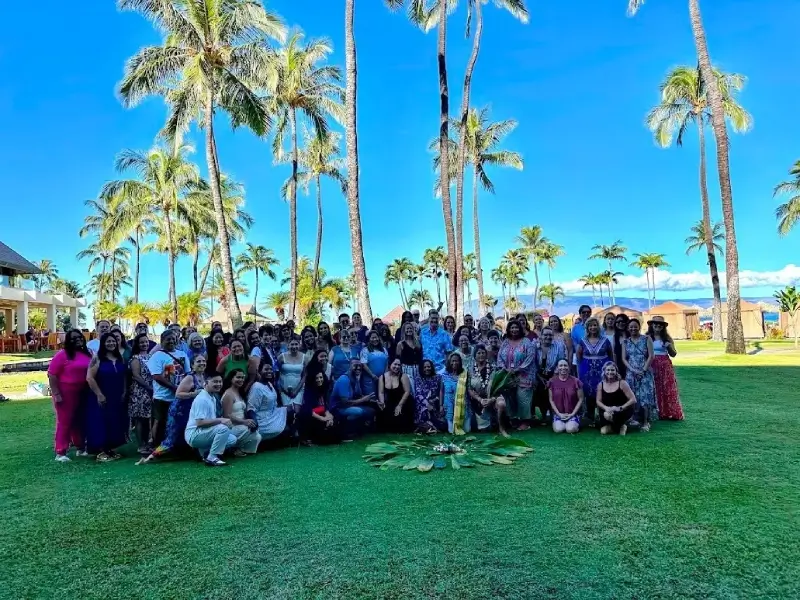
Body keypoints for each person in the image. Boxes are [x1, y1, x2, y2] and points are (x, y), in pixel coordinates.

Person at [139, 353, 207, 463]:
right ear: (192, 364)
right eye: (199, 361)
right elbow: (178, 394)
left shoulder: (204, 377)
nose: (202, 363)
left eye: (203, 361)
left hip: (191, 411)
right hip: (180, 411)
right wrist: (194, 394)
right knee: (171, 437)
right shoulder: (190, 377)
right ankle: (149, 458)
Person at [47, 329, 91, 462]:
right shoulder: (62, 355)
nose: (78, 339)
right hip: (65, 392)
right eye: (74, 338)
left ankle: (80, 447)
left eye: (80, 337)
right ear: (68, 340)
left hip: (83, 391)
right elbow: (52, 374)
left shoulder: (87, 354)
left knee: (79, 421)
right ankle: (60, 452)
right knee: (65, 422)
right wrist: (56, 393)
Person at [85, 333, 128, 461]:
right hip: (102, 395)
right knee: (101, 422)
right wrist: (99, 394)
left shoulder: (120, 358)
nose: (111, 344)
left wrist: (125, 391)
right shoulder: (97, 358)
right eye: (108, 341)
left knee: (115, 421)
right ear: (103, 343)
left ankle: (111, 449)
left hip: (117, 396)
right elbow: (89, 378)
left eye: (113, 341)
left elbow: (125, 376)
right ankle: (101, 451)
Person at [147, 331, 190, 448]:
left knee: (178, 421)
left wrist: (183, 389)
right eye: (168, 339)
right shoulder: (157, 356)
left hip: (179, 396)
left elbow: (188, 373)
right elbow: (156, 376)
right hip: (162, 397)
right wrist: (174, 388)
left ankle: (177, 446)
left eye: (173, 339)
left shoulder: (182, 354)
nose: (171, 341)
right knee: (160, 421)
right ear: (162, 341)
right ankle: (156, 445)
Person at [184, 374, 233, 466]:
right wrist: (221, 420)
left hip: (203, 432)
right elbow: (200, 423)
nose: (219, 384)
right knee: (223, 429)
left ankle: (203, 452)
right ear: (206, 383)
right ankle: (212, 457)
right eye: (215, 381)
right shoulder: (202, 399)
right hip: (194, 434)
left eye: (220, 382)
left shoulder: (212, 396)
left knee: (232, 439)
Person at [497, 320, 536, 430]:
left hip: (524, 375)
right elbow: (500, 357)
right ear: (508, 330)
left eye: (516, 328)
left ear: (520, 329)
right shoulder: (505, 342)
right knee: (509, 397)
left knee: (522, 397)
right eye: (512, 328)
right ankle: (513, 419)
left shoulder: (526, 342)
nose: (514, 330)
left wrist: (517, 370)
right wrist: (504, 369)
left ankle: (525, 421)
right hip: (507, 375)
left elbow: (530, 357)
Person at [576, 317, 613, 426]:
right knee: (588, 392)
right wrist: (581, 369)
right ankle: (590, 416)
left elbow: (611, 355)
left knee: (603, 391)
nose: (593, 327)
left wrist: (611, 367)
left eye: (595, 325)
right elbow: (579, 356)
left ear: (598, 327)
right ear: (587, 328)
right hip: (587, 371)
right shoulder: (583, 341)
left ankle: (602, 416)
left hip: (602, 370)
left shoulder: (605, 340)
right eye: (590, 326)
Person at [622, 318, 657, 432]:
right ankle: (634, 418)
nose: (633, 328)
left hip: (645, 372)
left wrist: (643, 370)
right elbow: (624, 358)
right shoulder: (625, 342)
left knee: (645, 397)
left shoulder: (646, 339)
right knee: (633, 396)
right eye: (631, 327)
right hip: (631, 373)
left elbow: (651, 356)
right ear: (628, 328)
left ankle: (646, 422)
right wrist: (632, 370)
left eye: (635, 326)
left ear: (639, 326)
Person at [647, 316, 684, 420]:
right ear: (652, 325)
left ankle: (669, 412)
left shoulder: (667, 338)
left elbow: (673, 354)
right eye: (655, 324)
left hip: (665, 365)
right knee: (655, 387)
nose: (658, 326)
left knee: (667, 388)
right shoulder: (647, 337)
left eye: (660, 324)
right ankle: (657, 412)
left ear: (663, 326)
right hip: (652, 364)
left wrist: (669, 346)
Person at [329, 360, 376, 440]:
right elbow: (344, 402)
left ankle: (357, 431)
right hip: (338, 408)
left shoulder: (355, 378)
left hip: (347, 406)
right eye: (355, 365)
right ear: (349, 366)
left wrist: (373, 401)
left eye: (360, 366)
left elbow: (357, 395)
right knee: (359, 412)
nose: (358, 368)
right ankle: (345, 431)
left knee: (371, 410)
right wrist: (363, 400)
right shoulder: (344, 379)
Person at [248, 362, 293, 445]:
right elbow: (251, 408)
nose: (269, 371)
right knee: (286, 427)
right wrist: (254, 422)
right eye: (266, 369)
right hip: (263, 419)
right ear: (259, 371)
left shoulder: (269, 384)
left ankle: (292, 434)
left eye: (270, 369)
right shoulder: (256, 387)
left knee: (291, 409)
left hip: (272, 413)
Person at [469, 344, 508, 437]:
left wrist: (492, 399)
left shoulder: (493, 368)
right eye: (478, 353)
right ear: (474, 355)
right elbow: (469, 389)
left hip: (493, 397)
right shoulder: (470, 370)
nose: (481, 355)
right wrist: (480, 400)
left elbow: (499, 387)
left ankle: (501, 429)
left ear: (486, 355)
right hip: (478, 400)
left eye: (483, 353)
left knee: (501, 403)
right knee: (483, 430)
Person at [221, 369, 261, 456]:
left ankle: (238, 448)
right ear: (231, 379)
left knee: (256, 435)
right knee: (246, 430)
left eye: (243, 378)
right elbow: (226, 416)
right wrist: (244, 422)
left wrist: (250, 421)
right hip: (231, 426)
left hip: (242, 424)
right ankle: (230, 448)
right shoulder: (228, 394)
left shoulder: (240, 392)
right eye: (238, 377)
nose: (241, 380)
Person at [532, 327, 567, 424]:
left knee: (552, 390)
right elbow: (532, 363)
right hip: (537, 375)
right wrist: (539, 377)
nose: (548, 337)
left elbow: (561, 361)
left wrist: (552, 378)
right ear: (541, 336)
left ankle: (554, 414)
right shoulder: (534, 346)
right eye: (545, 334)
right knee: (538, 390)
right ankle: (541, 415)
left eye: (550, 335)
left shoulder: (558, 346)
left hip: (554, 374)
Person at [129, 333, 155, 455]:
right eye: (142, 342)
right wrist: (148, 387)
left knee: (149, 419)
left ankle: (149, 443)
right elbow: (136, 376)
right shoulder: (135, 358)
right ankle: (141, 445)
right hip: (140, 392)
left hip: (152, 391)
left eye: (146, 342)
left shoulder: (151, 356)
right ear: (137, 344)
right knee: (140, 419)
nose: (144, 344)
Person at [596, 362, 637, 435]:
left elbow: (633, 399)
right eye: (608, 370)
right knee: (603, 431)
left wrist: (620, 408)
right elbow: (598, 401)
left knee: (607, 415)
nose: (610, 372)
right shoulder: (600, 384)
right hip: (607, 409)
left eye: (612, 370)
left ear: (616, 371)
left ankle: (621, 425)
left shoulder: (622, 383)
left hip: (621, 409)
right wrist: (606, 408)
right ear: (604, 371)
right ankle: (620, 426)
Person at [300, 372, 340, 445]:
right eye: (317, 378)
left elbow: (325, 406)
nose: (319, 380)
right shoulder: (308, 391)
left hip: (321, 413)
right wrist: (323, 419)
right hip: (311, 417)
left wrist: (328, 417)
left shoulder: (323, 389)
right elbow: (308, 410)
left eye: (321, 377)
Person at [377, 358, 414, 432]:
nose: (397, 367)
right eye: (395, 364)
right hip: (391, 401)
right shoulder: (382, 377)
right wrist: (382, 403)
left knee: (399, 418)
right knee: (384, 416)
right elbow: (381, 392)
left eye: (399, 365)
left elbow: (407, 391)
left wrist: (400, 405)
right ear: (390, 364)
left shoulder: (403, 376)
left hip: (404, 401)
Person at [548, 359, 584, 434]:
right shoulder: (552, 382)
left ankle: (574, 421)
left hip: (572, 413)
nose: (563, 367)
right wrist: (558, 414)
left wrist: (572, 414)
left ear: (569, 367)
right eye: (560, 365)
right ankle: (561, 422)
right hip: (559, 414)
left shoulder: (576, 381)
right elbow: (551, 400)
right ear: (557, 368)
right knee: (558, 430)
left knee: (570, 429)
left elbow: (581, 399)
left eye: (565, 365)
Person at [440, 352, 471, 434]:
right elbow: (441, 391)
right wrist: (441, 405)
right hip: (449, 405)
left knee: (467, 430)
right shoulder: (444, 375)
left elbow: (469, 390)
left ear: (460, 362)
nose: (454, 363)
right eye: (453, 361)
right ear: (449, 362)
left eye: (456, 361)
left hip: (463, 405)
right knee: (451, 431)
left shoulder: (465, 375)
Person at [413, 359, 445, 434]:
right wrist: (427, 404)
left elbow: (441, 392)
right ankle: (427, 427)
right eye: (425, 367)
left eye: (428, 367)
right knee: (424, 409)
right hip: (422, 403)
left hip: (434, 402)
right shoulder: (418, 378)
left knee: (442, 423)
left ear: (432, 367)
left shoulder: (438, 377)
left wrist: (441, 406)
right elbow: (419, 394)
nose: (427, 369)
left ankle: (429, 427)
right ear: (422, 368)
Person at [278, 338, 307, 407]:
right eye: (292, 344)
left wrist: (296, 390)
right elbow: (276, 374)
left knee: (297, 411)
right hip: (284, 389)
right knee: (288, 411)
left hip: (298, 389)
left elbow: (305, 375)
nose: (294, 346)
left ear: (299, 345)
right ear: (288, 346)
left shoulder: (305, 357)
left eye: (296, 344)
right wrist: (282, 389)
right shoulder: (281, 357)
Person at [359, 330, 388, 396]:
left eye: (376, 337)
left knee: (382, 397)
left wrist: (385, 376)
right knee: (371, 398)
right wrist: (372, 375)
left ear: (379, 338)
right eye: (372, 338)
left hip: (382, 380)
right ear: (369, 339)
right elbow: (364, 364)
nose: (375, 339)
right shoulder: (365, 350)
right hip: (369, 380)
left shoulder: (384, 350)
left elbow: (386, 363)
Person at [396, 322, 422, 393]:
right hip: (407, 369)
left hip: (417, 368)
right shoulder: (401, 344)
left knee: (418, 389)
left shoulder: (417, 342)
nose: (409, 330)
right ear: (404, 330)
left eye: (410, 328)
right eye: (407, 328)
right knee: (409, 390)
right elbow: (398, 359)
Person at [570, 305, 593, 372]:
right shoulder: (576, 328)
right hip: (581, 358)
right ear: (580, 314)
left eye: (588, 312)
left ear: (590, 313)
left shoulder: (598, 327)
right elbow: (575, 343)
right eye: (583, 312)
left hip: (595, 358)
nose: (586, 313)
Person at [612, 313, 630, 379]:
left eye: (622, 321)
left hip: (631, 364)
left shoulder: (631, 335)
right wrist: (615, 367)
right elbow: (614, 353)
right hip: (619, 366)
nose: (620, 323)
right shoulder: (615, 336)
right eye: (618, 322)